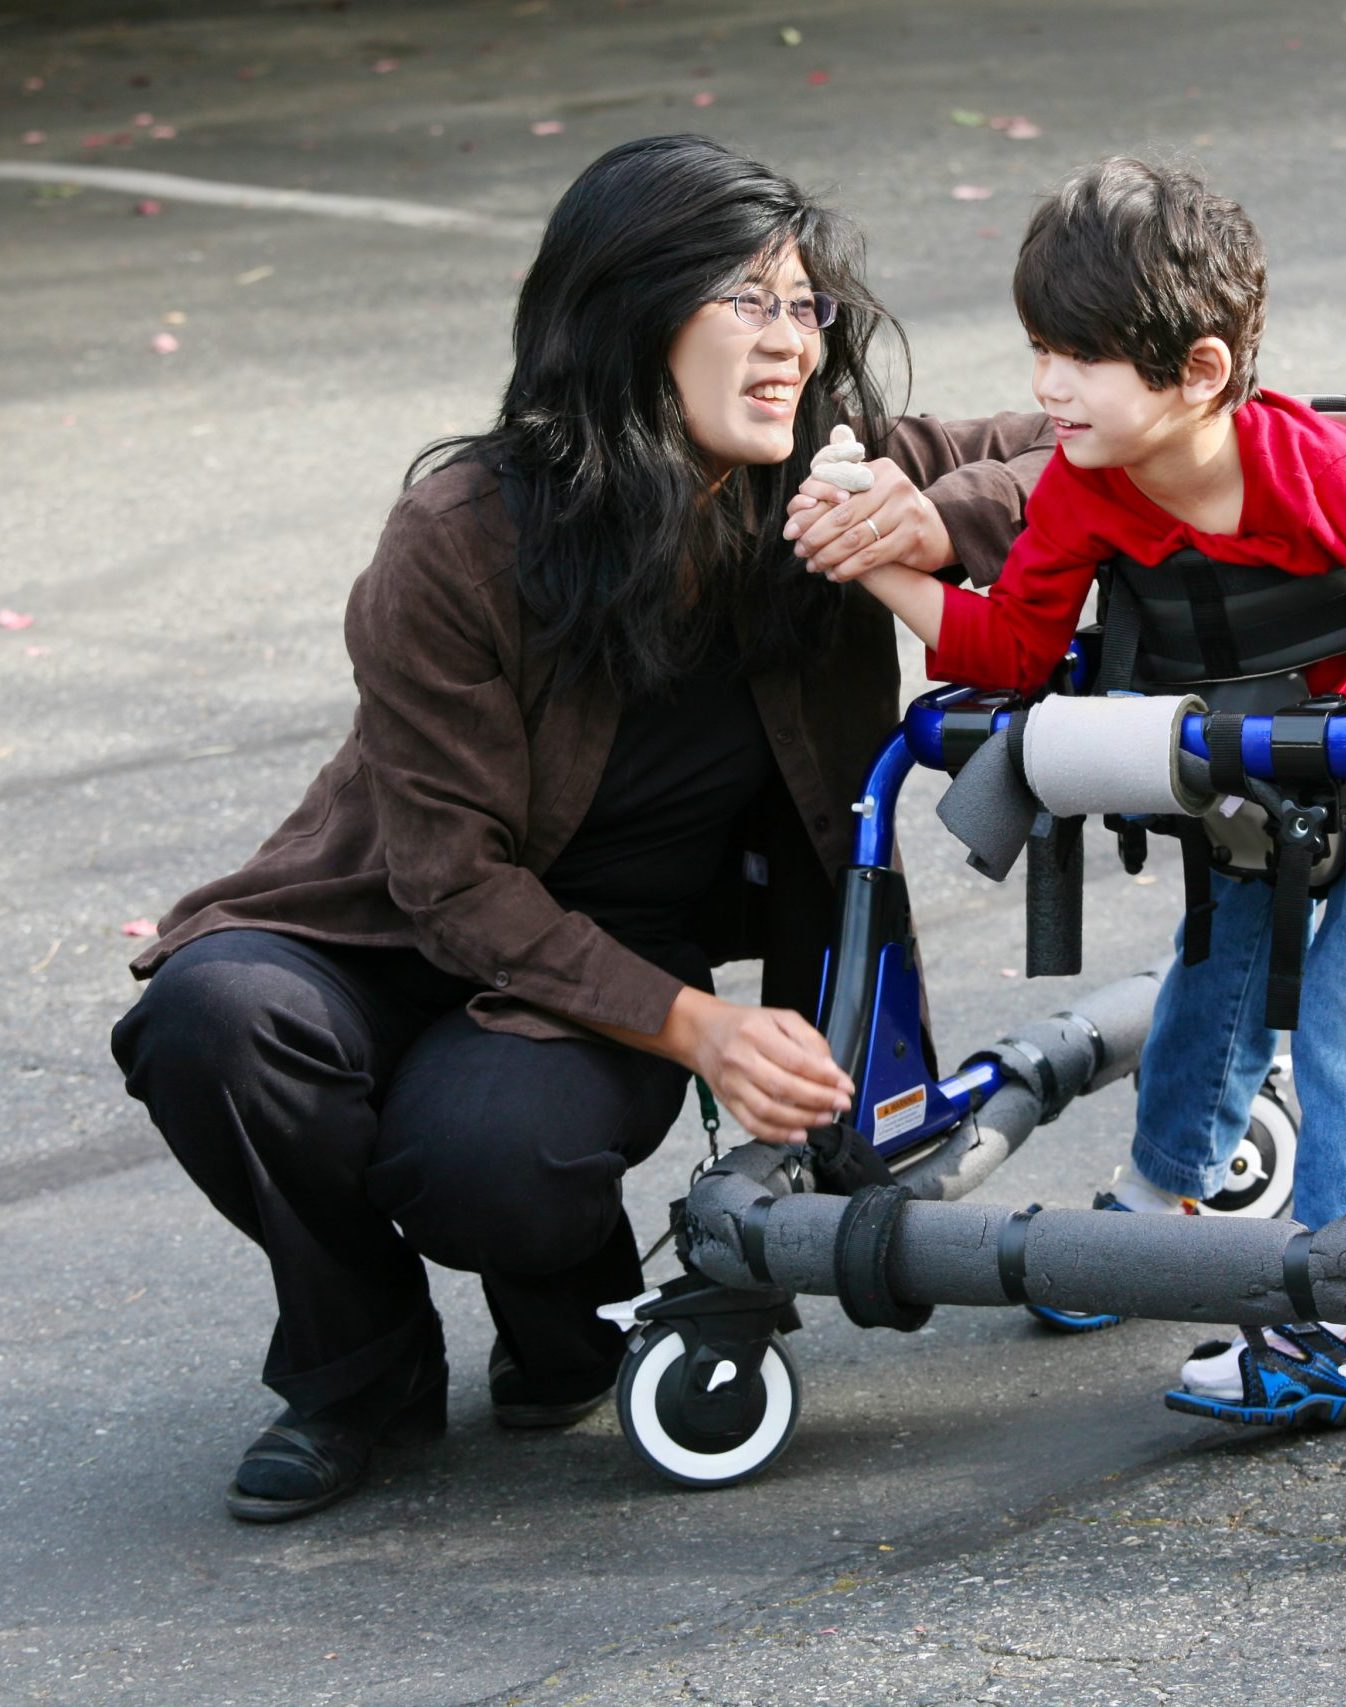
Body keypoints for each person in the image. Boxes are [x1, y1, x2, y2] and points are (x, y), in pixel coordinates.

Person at [111, 133, 1052, 1522]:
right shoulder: (460, 534)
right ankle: (354, 1367)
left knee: (483, 1161)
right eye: (747, 300)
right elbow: (446, 880)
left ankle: (562, 1319)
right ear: (626, 314)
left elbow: (1102, 442)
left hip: (606, 950)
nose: (789, 340)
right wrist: (702, 1031)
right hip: (387, 923)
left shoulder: (822, 483)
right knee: (211, 1019)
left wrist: (935, 510)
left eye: (803, 303)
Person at [792, 156, 1346, 1426]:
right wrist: (876, 567)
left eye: (1081, 357)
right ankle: (1158, 1210)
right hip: (1251, 755)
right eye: (1039, 350)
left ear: (1202, 372)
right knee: (1213, 964)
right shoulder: (1087, 485)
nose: (1048, 385)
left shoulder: (1323, 474)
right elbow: (1009, 648)